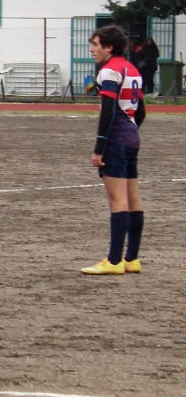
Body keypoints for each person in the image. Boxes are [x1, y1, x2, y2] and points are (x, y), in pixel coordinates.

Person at [81, 26, 147, 275]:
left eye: (95, 44)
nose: (91, 49)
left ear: (109, 47)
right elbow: (140, 111)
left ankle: (114, 261)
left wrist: (99, 149)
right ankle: (132, 259)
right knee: (134, 198)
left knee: (117, 200)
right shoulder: (132, 69)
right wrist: (130, 132)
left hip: (116, 141)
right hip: (131, 139)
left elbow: (108, 111)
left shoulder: (109, 71)